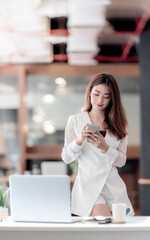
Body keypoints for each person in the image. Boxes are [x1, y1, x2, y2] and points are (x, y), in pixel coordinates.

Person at [61, 73, 134, 217]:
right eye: (96, 94)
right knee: (104, 224)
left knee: (119, 229)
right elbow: (66, 158)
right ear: (89, 93)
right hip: (89, 187)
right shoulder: (76, 121)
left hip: (113, 186)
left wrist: (105, 148)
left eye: (106, 96)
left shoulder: (118, 125)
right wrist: (79, 140)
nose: (100, 100)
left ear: (112, 98)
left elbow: (121, 161)